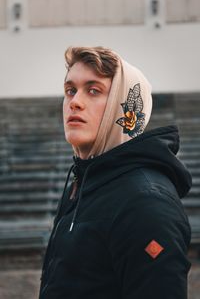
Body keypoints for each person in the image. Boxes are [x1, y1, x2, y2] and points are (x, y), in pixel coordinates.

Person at [39, 46, 192, 299]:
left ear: (125, 107)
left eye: (93, 90)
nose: (74, 102)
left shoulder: (146, 202)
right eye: (70, 90)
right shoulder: (82, 183)